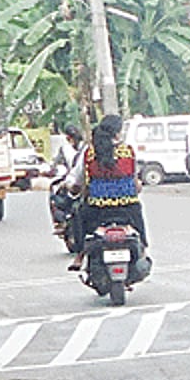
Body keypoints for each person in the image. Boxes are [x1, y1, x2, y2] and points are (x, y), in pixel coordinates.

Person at [65, 114, 149, 271]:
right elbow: (136, 184)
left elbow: (78, 180)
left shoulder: (90, 153)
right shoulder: (128, 151)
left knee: (77, 213)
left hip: (97, 210)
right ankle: (143, 249)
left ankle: (80, 255)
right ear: (117, 133)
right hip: (127, 210)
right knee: (138, 212)